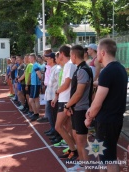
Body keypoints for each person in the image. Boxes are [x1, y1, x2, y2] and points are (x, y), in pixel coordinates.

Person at [85, 38, 127, 172]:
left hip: (106, 121)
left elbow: (97, 103)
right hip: (113, 119)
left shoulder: (107, 72)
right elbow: (109, 86)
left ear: (102, 52)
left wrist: (89, 117)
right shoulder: (120, 69)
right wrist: (93, 83)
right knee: (102, 154)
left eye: (97, 51)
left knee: (109, 159)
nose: (96, 55)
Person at [64, 45, 93, 171]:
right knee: (77, 137)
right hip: (77, 108)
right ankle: (82, 165)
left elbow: (79, 93)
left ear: (74, 55)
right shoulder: (80, 68)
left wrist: (67, 105)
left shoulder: (82, 70)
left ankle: (87, 169)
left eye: (70, 55)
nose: (71, 57)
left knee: (81, 142)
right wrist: (71, 105)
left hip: (81, 109)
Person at [52, 45, 77, 160]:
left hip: (66, 101)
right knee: (67, 127)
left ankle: (74, 149)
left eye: (59, 54)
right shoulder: (67, 66)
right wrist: (57, 96)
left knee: (58, 126)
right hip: (63, 99)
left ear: (62, 53)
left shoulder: (70, 65)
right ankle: (73, 149)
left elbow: (67, 85)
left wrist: (57, 91)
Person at [43, 52, 61, 136]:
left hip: (54, 97)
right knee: (51, 115)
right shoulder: (52, 68)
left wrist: (56, 97)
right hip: (50, 96)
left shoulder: (57, 69)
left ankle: (56, 132)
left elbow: (59, 84)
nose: (46, 59)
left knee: (54, 115)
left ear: (53, 59)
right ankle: (53, 129)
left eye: (48, 58)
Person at [29, 53, 42, 121]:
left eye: (30, 58)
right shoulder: (35, 65)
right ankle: (36, 113)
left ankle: (35, 113)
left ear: (33, 58)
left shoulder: (35, 65)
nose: (29, 59)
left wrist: (39, 81)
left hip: (35, 85)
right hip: (35, 84)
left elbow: (39, 75)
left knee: (31, 100)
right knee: (36, 99)